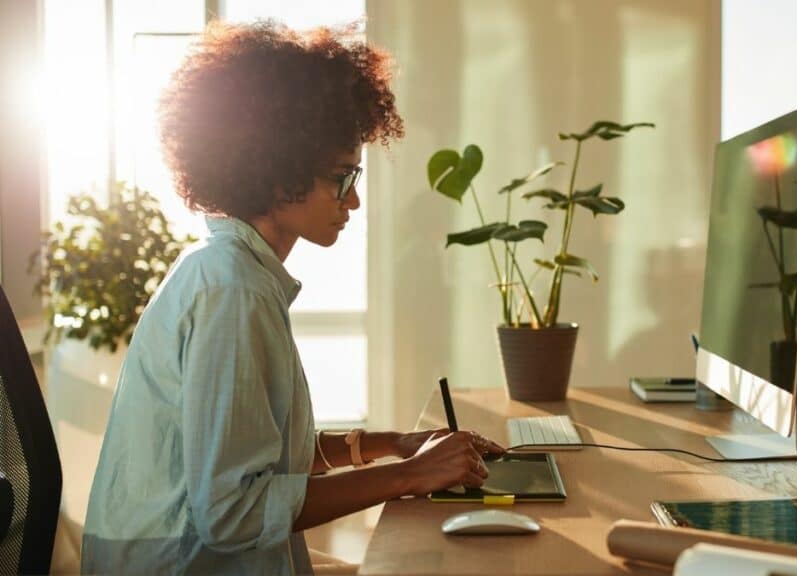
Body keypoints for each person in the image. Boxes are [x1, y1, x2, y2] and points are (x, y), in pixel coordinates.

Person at [81, 21, 504, 575]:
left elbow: (261, 456)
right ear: (277, 172)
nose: (353, 201)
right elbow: (231, 512)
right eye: (341, 178)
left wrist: (397, 444)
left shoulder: (232, 271)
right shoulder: (233, 292)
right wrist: (412, 476)